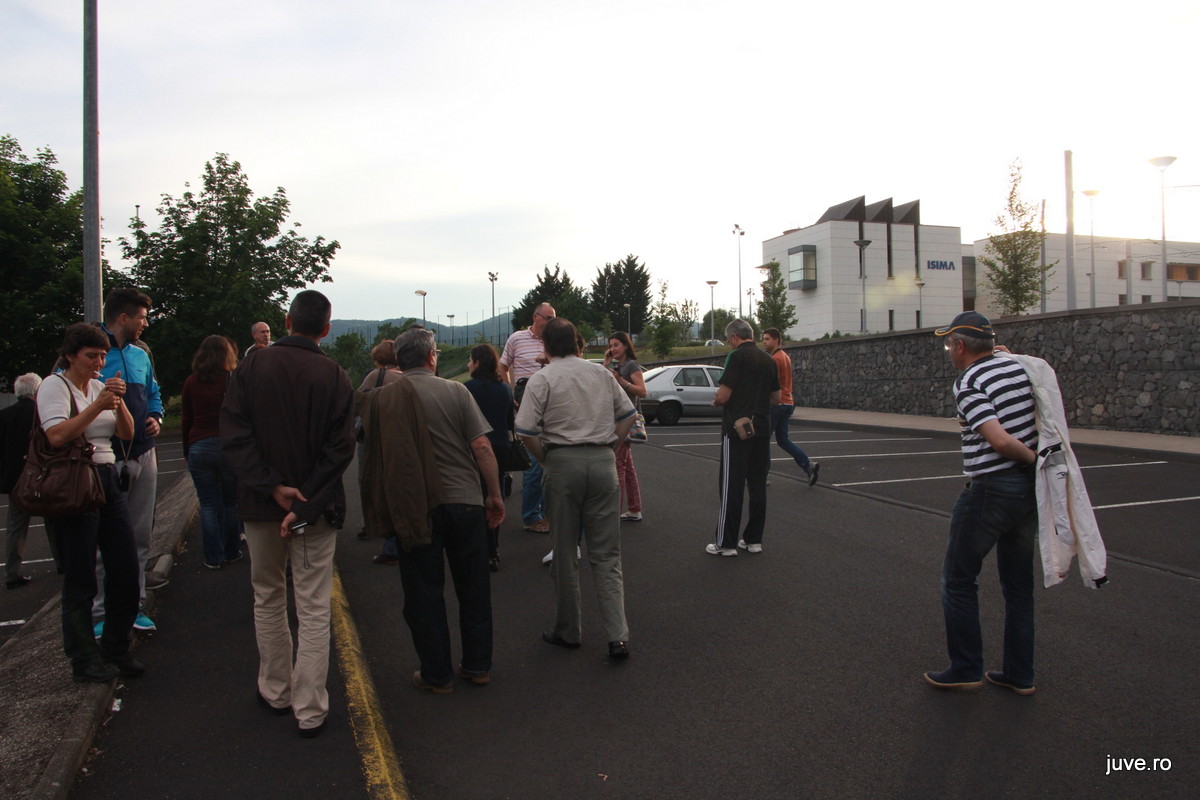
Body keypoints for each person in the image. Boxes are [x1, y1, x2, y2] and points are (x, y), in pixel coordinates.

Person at [221, 290, 355, 737]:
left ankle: (275, 690)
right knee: (314, 606)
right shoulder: (334, 375)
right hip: (315, 510)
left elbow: (234, 435)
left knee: (268, 594)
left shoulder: (250, 367)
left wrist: (271, 487)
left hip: (261, 505)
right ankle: (310, 707)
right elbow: (340, 449)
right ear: (326, 329)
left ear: (286, 321)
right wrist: (305, 501)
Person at [366, 327, 503, 693]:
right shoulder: (456, 391)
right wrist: (494, 495)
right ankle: (477, 666)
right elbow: (482, 447)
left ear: (399, 361)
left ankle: (436, 674)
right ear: (431, 357)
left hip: (416, 507)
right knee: (473, 588)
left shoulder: (385, 398)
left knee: (424, 592)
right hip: (465, 503)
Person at [925, 311, 1039, 695]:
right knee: (1018, 587)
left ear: (960, 345)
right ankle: (1020, 675)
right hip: (1027, 492)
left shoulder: (969, 381)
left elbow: (1000, 440)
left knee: (957, 579)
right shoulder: (1016, 367)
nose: (948, 351)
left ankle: (966, 667)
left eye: (948, 345)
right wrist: (1037, 469)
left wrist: (1034, 459)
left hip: (991, 489)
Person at [516, 317, 636, 659]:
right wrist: (610, 447)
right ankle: (617, 635)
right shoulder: (600, 373)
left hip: (561, 463)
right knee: (607, 553)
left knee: (565, 551)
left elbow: (525, 429)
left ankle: (568, 630)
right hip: (602, 463)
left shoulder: (543, 378)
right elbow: (628, 415)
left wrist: (545, 459)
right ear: (578, 342)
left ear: (546, 346)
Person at [38, 323, 142, 682]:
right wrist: (98, 406)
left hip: (107, 478)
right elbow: (56, 435)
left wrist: (118, 401)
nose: (98, 363)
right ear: (70, 356)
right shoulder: (55, 386)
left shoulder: (98, 386)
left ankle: (116, 646)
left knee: (125, 569)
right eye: (91, 356)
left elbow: (126, 433)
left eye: (102, 356)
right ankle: (83, 659)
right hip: (75, 483)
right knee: (81, 576)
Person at [92, 287, 164, 639]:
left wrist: (156, 416)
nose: (145, 324)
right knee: (102, 540)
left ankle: (135, 605)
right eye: (141, 318)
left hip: (143, 452)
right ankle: (101, 612)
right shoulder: (91, 353)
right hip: (103, 457)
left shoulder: (141, 354)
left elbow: (153, 392)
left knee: (139, 534)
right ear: (123, 318)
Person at [708, 319, 779, 557]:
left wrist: (717, 401)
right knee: (757, 485)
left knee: (732, 485)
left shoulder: (736, 357)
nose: (729, 343)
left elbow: (724, 396)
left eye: (729, 339)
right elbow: (776, 398)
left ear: (734, 337)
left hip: (737, 429)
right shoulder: (769, 360)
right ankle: (753, 540)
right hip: (762, 428)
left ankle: (726, 543)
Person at [182, 336, 242, 570]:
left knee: (208, 504)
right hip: (228, 446)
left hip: (199, 445)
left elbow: (187, 418)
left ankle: (212, 557)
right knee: (230, 503)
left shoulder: (191, 381)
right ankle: (231, 550)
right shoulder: (231, 380)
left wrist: (187, 449)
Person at [499, 301, 555, 533]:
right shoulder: (517, 339)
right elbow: (503, 367)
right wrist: (510, 394)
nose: (551, 322)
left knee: (549, 461)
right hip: (527, 401)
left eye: (554, 319)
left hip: (553, 403)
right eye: (548, 318)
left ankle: (543, 512)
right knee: (535, 460)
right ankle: (532, 516)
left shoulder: (555, 339)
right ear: (535, 317)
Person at [3, 373, 60, 588]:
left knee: (16, 527)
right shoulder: (42, 413)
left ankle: (11, 573)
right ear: (38, 391)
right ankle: (62, 562)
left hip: (15, 481)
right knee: (53, 521)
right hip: (43, 475)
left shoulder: (4, 416)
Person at [465, 344, 514, 572]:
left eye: (470, 360)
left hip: (475, 448)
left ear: (477, 363)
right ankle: (493, 548)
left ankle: (481, 548)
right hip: (501, 448)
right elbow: (509, 422)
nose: (468, 364)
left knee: (476, 498)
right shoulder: (504, 388)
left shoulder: (467, 389)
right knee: (495, 496)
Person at [356, 340, 404, 565]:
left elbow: (358, 403)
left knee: (375, 485)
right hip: (400, 440)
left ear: (378, 359)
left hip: (375, 439)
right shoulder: (406, 378)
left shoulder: (374, 376)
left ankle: (384, 538)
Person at [762, 328, 819, 486]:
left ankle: (762, 475)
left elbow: (770, 384)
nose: (764, 342)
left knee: (763, 440)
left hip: (776, 404)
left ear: (776, 340)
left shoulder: (774, 359)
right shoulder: (785, 357)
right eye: (763, 339)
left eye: (767, 339)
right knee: (783, 440)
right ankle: (808, 465)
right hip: (788, 403)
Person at [603, 332, 647, 521]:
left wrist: (621, 381)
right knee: (627, 468)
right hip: (618, 419)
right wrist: (606, 363)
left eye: (616, 345)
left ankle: (615, 512)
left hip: (625, 421)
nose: (612, 349)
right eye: (610, 346)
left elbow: (642, 391)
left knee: (618, 466)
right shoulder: (617, 366)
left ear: (626, 346)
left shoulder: (631, 365)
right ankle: (635, 509)